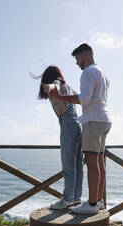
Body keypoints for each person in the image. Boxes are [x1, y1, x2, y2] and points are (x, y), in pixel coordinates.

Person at [46, 43, 111, 214]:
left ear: (84, 56)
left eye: (77, 58)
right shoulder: (102, 73)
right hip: (104, 120)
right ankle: (99, 201)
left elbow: (85, 99)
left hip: (92, 121)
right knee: (99, 161)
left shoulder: (88, 72)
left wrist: (61, 97)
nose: (76, 63)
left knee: (91, 162)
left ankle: (90, 205)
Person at [36, 65, 83, 209]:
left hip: (68, 127)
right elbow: (80, 98)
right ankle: (76, 198)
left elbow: (53, 85)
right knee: (77, 166)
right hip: (78, 125)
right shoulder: (66, 86)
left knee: (68, 166)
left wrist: (49, 87)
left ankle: (67, 199)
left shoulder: (56, 84)